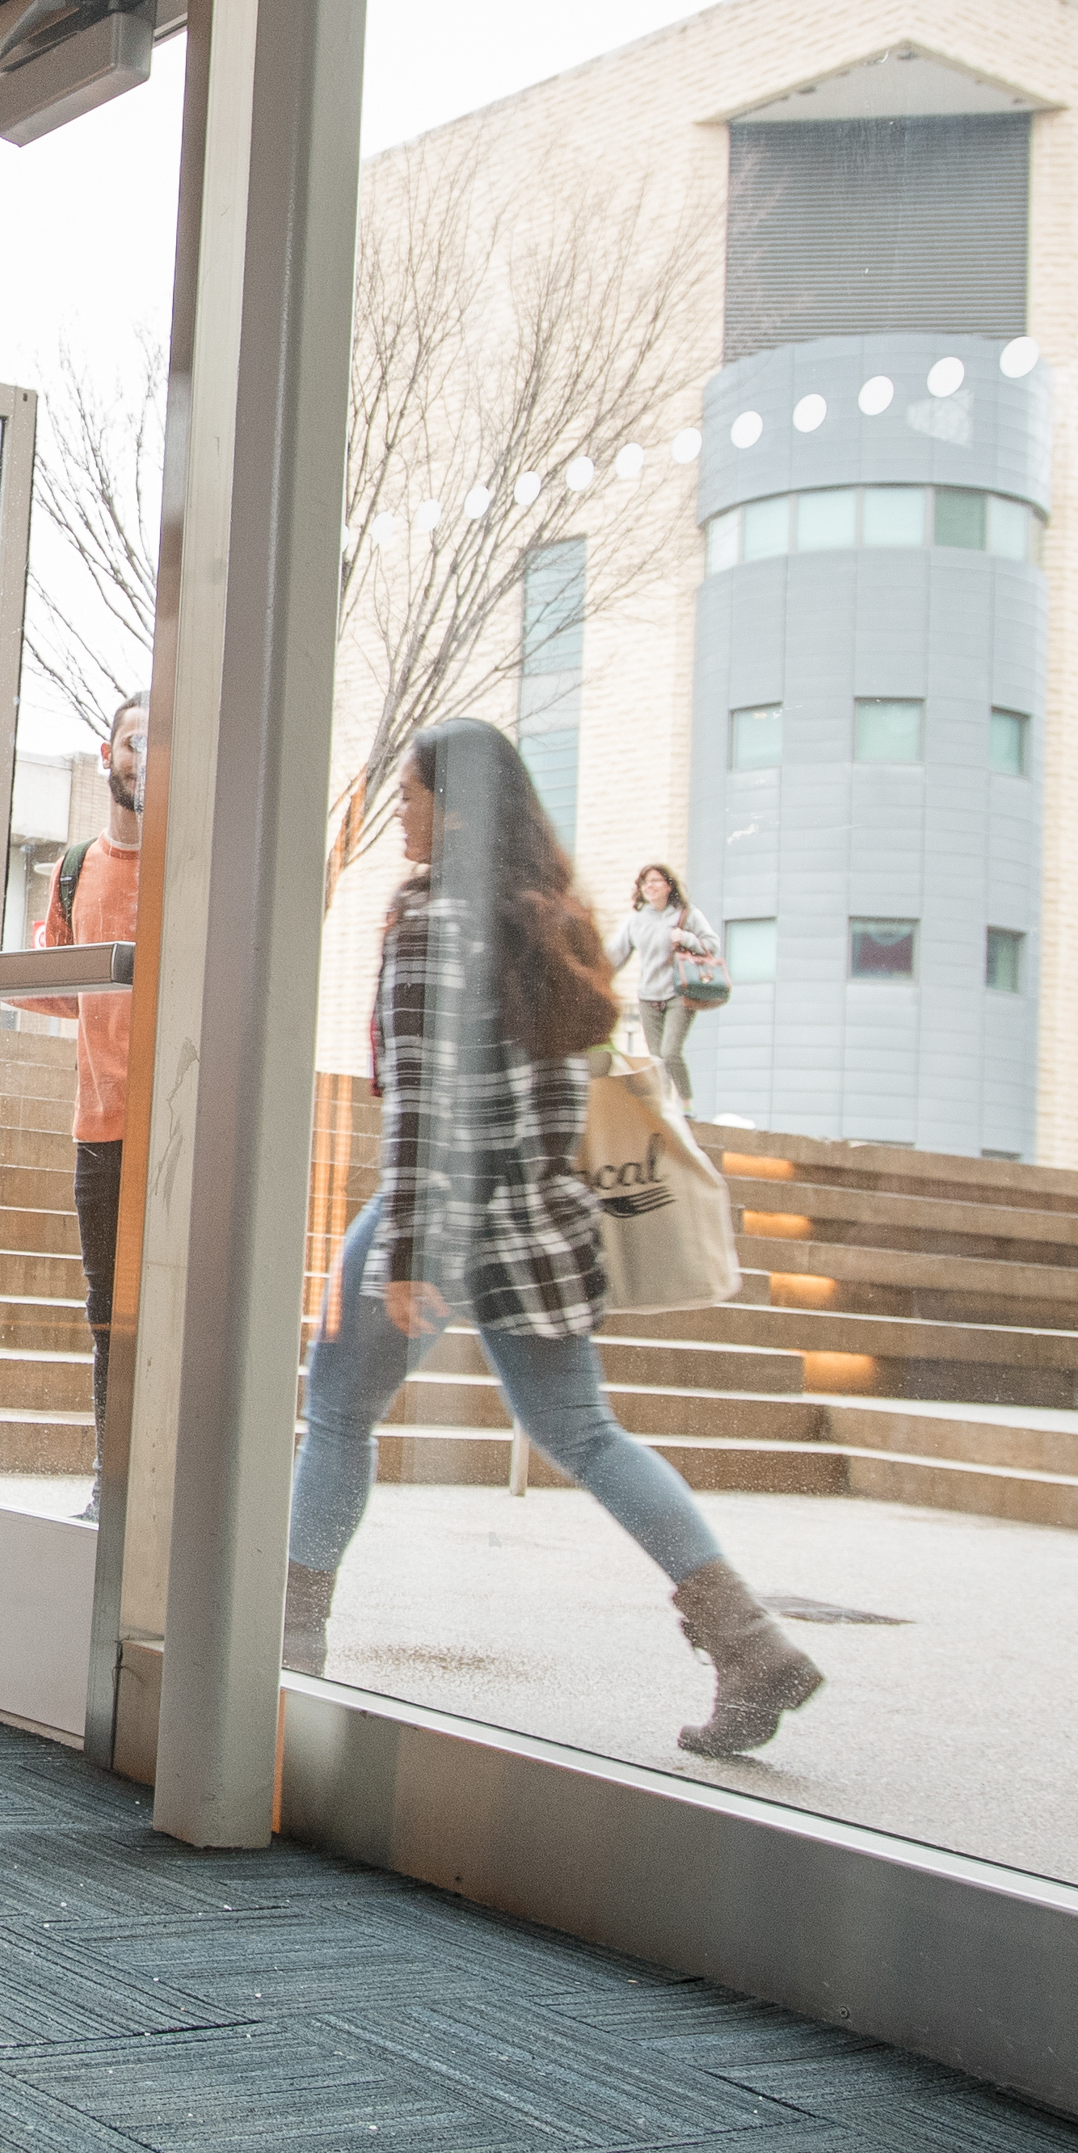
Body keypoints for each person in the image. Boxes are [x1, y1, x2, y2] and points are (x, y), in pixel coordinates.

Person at [280, 720, 825, 1760]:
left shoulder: (433, 917)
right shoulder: (552, 919)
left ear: (459, 806)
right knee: (585, 1435)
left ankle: (288, 1645)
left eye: (415, 791)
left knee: (338, 1414)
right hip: (541, 1221)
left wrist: (407, 1251)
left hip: (437, 1214)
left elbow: (423, 1105)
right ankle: (747, 1643)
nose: (403, 808)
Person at [18, 694, 146, 1507]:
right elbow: (59, 990)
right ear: (109, 753)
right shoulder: (76, 867)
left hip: (183, 1128)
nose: (148, 757)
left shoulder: (192, 861)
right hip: (100, 1127)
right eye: (136, 740)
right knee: (108, 1318)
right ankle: (115, 1484)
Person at [606, 861, 719, 1106]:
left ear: (668, 885)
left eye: (655, 880)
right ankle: (666, 1108)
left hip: (679, 993)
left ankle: (686, 1103)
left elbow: (712, 945)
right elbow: (615, 954)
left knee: (670, 1052)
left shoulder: (686, 914)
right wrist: (596, 976)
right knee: (657, 1059)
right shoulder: (636, 918)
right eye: (645, 882)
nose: (649, 886)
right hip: (648, 997)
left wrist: (686, 938)